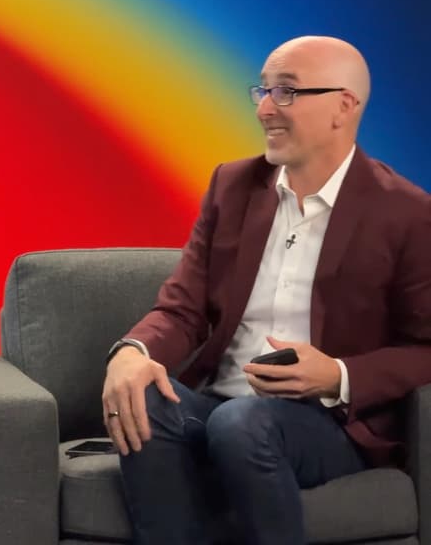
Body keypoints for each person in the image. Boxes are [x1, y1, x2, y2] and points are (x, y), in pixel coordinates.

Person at [101, 35, 431, 544]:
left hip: (328, 424)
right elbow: (182, 309)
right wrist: (132, 351)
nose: (264, 109)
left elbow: (425, 347)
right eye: (263, 90)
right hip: (218, 404)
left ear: (343, 106)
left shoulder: (406, 213)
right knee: (145, 395)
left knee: (242, 423)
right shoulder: (232, 187)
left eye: (286, 92)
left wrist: (338, 375)